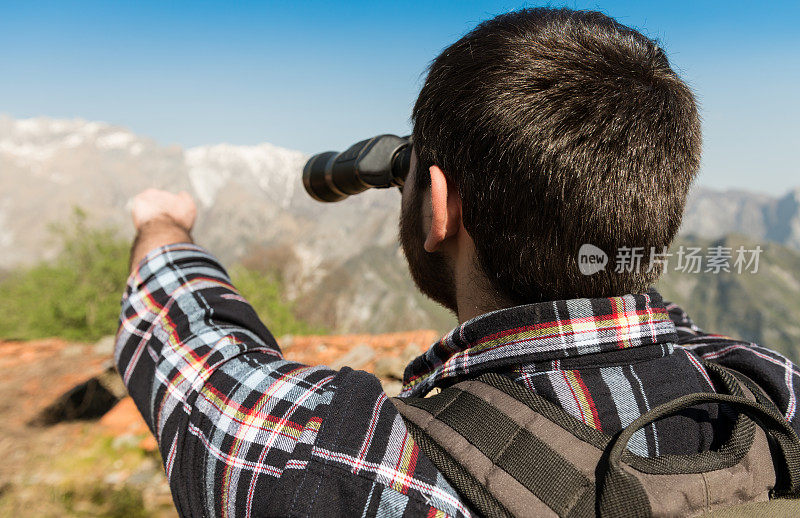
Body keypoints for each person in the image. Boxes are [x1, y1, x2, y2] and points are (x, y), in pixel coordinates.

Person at [116, 7, 800, 517]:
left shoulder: (360, 468)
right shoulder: (773, 394)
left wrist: (163, 227)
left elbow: (196, 364)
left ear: (438, 206)